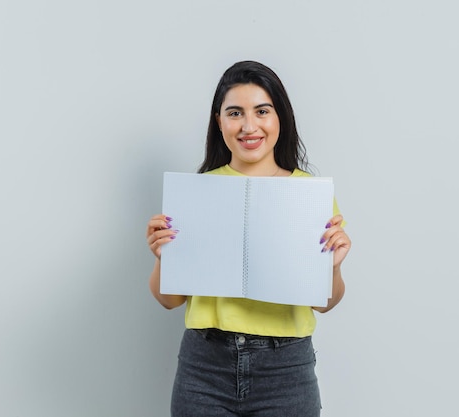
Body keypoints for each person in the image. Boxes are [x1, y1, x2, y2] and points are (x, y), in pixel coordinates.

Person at [145, 60, 351, 417]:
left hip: (285, 369)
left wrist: (331, 268)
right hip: (204, 366)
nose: (249, 126)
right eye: (235, 113)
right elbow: (170, 300)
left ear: (279, 118)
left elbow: (324, 303)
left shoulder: (308, 194)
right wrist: (164, 258)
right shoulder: (196, 193)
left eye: (262, 111)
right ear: (219, 121)